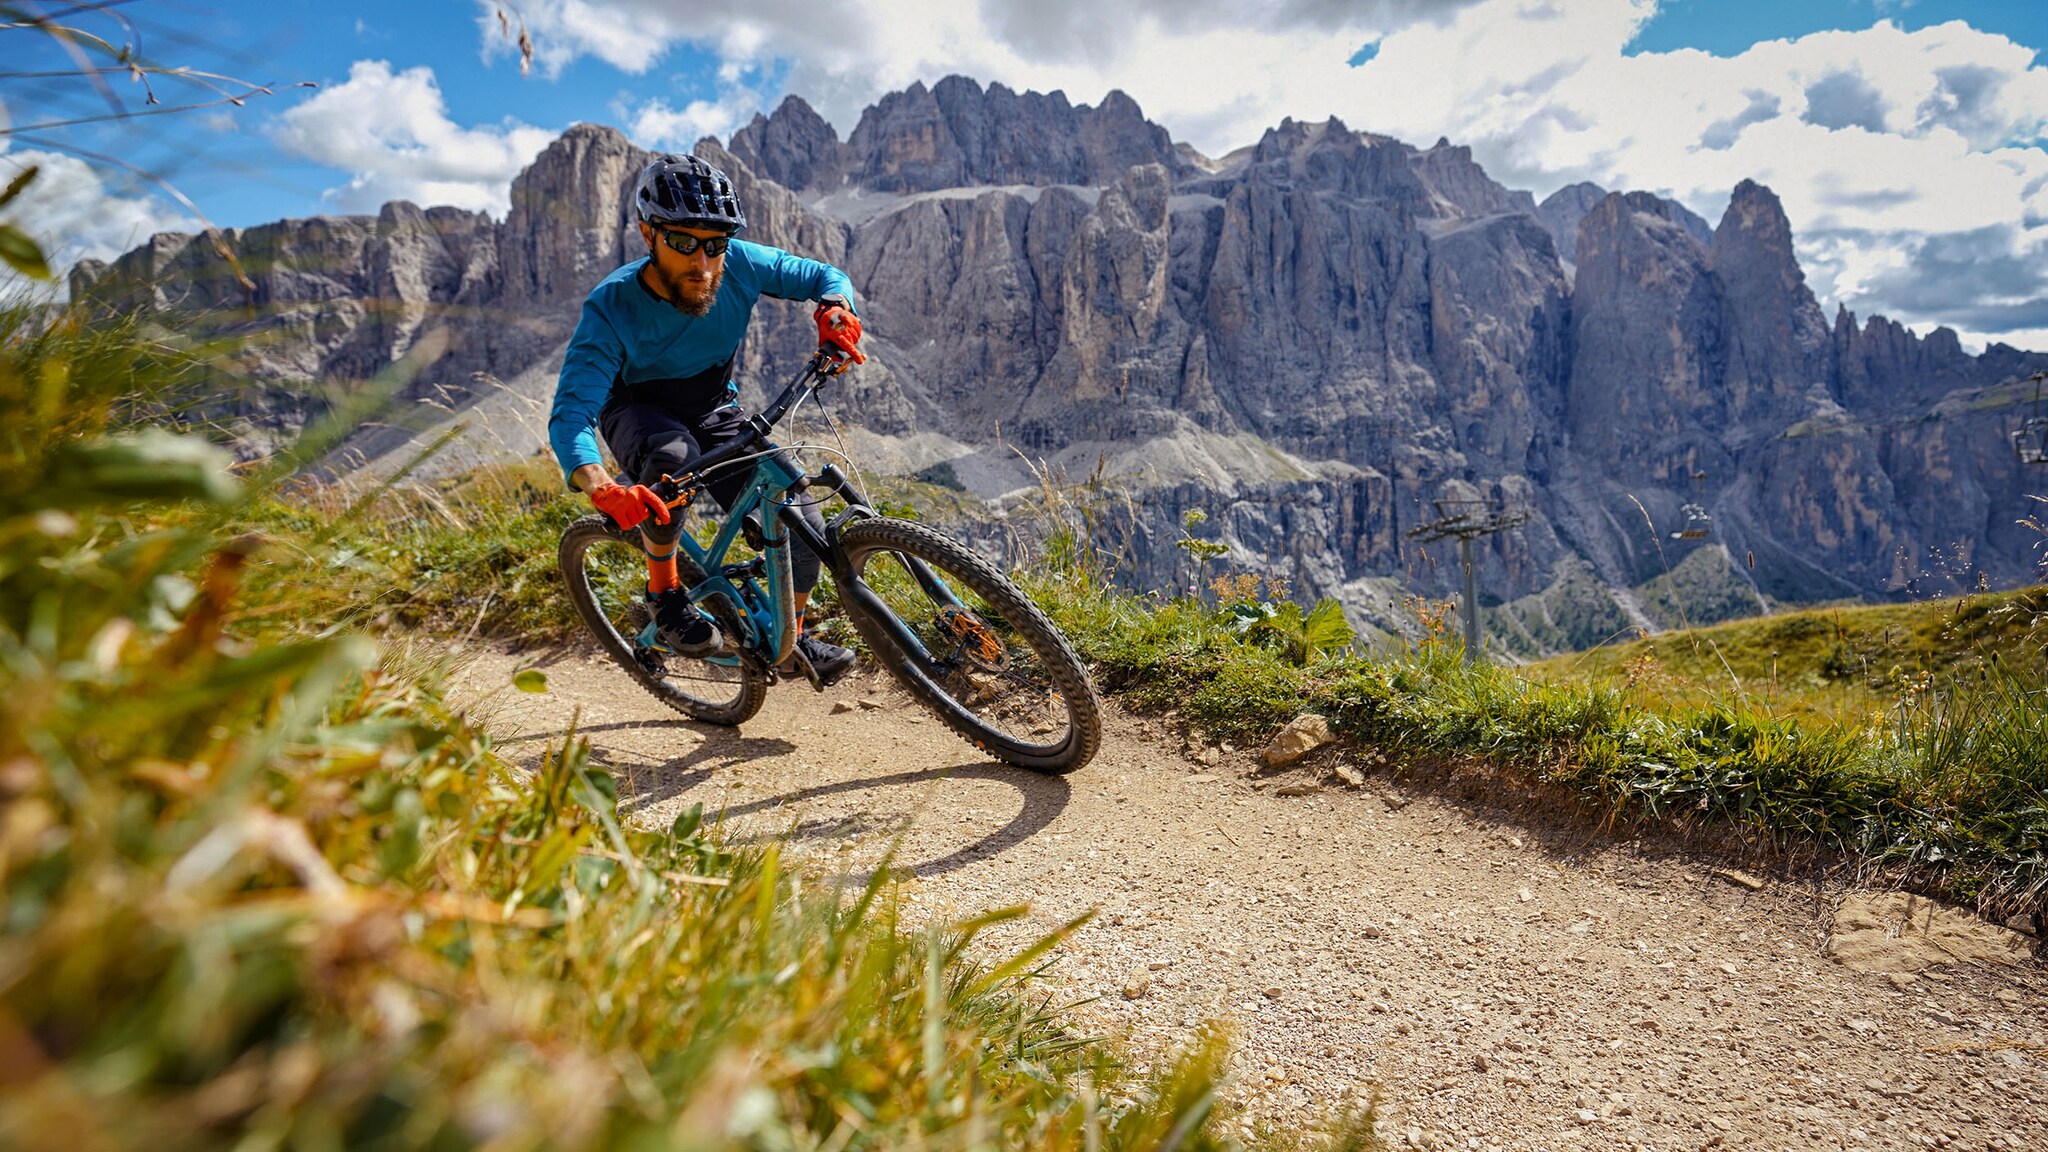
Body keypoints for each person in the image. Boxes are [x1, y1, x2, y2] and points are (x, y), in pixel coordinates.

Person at [548, 152, 866, 686]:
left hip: (714, 406)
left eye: (715, 244)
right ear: (649, 235)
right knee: (672, 461)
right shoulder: (611, 306)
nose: (703, 262)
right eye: (682, 242)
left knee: (804, 521)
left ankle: (793, 637)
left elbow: (821, 274)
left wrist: (835, 307)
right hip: (637, 410)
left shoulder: (739, 263)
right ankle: (664, 592)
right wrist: (601, 486)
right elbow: (570, 414)